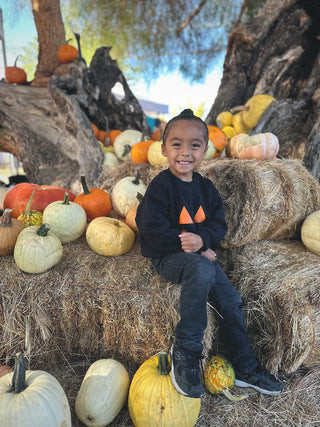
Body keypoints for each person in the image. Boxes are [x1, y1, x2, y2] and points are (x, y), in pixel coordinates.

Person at [135, 109, 284, 399]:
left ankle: (245, 367)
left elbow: (219, 224)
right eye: (176, 144)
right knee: (201, 268)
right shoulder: (160, 187)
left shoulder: (206, 189)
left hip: (199, 257)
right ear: (164, 149)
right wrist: (187, 244)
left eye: (194, 145)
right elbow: (149, 229)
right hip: (169, 258)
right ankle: (187, 350)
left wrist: (202, 240)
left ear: (205, 150)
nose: (185, 152)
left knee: (232, 301)